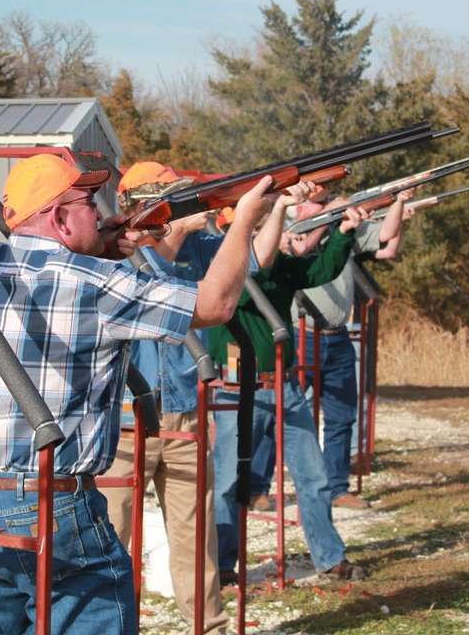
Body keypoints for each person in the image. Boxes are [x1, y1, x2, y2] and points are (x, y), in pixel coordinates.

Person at [0, 154, 273, 635]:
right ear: (58, 216)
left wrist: (103, 244)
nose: (100, 211)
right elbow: (215, 303)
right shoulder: (98, 284)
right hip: (51, 500)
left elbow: (51, 271)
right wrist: (244, 223)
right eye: (88, 202)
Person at [101, 162, 315, 634]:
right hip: (122, 424)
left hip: (184, 419)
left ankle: (209, 628)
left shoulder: (198, 249)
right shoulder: (121, 259)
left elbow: (254, 258)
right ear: (155, 208)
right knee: (110, 538)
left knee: (196, 541)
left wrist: (276, 202)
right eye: (186, 196)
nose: (201, 201)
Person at [210, 197, 371, 584]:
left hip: (284, 385)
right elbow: (249, 282)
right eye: (258, 225)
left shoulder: (278, 266)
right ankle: (223, 567)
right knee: (229, 483)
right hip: (236, 389)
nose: (270, 231)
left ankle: (330, 558)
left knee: (313, 476)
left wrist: (344, 233)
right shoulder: (222, 268)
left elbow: (320, 270)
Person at [252, 189, 412, 510]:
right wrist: (333, 217)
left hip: (337, 336)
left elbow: (387, 237)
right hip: (303, 336)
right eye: (317, 203)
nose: (320, 207)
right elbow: (301, 250)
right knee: (278, 413)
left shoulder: (342, 234)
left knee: (341, 416)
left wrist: (398, 200)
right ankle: (257, 487)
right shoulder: (292, 236)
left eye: (324, 203)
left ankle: (337, 487)